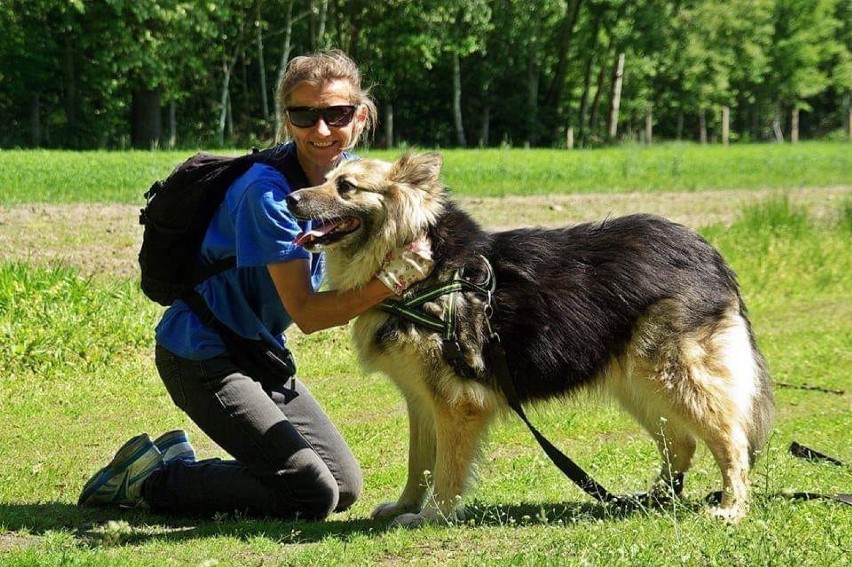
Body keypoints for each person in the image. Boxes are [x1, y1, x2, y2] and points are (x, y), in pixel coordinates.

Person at [78, 50, 433, 520]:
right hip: (203, 355)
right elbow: (306, 314)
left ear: (360, 117)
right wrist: (393, 281)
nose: (322, 130)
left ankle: (186, 467)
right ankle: (153, 479)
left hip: (259, 353)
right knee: (310, 495)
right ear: (287, 121)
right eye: (304, 115)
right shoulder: (267, 195)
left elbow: (409, 214)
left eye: (337, 114)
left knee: (343, 486)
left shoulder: (353, 178)